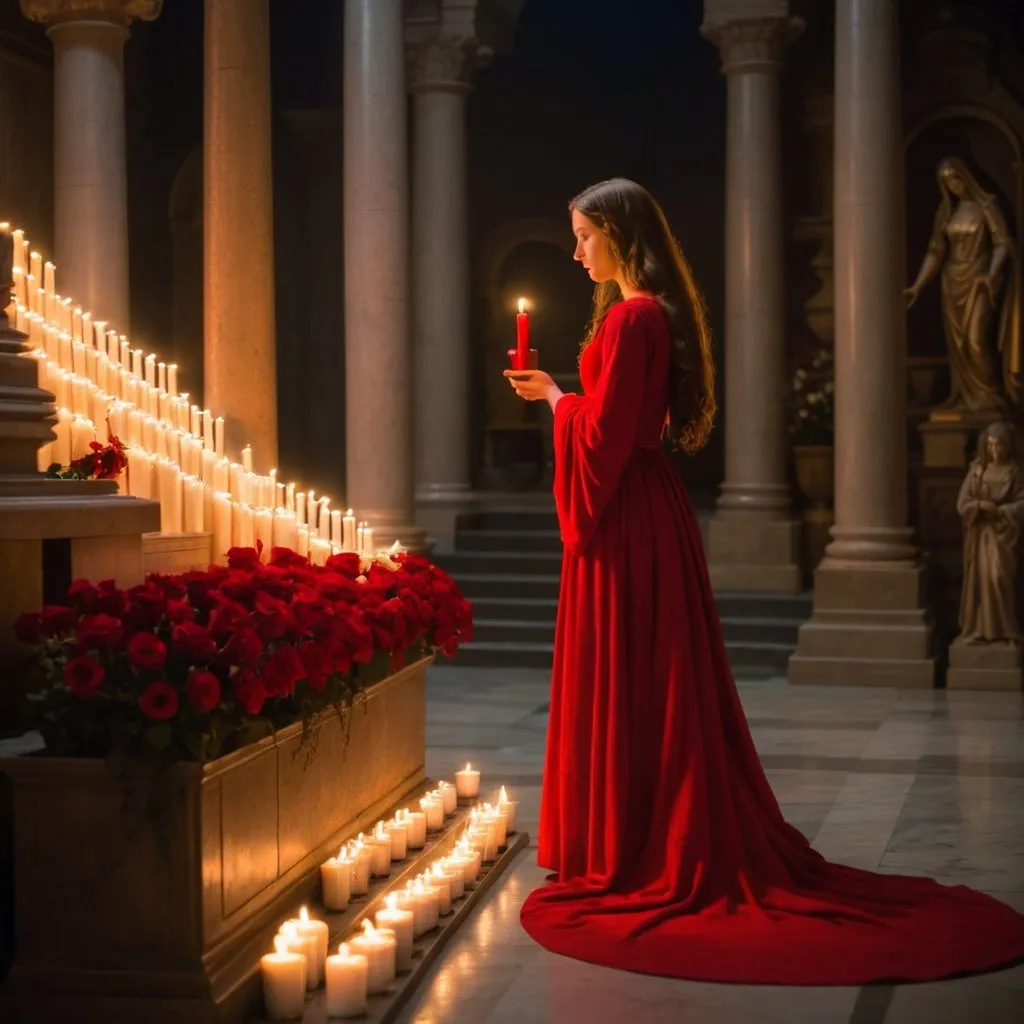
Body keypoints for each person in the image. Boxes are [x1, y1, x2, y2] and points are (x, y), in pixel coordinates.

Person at [504, 177, 1024, 984]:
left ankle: (635, 845)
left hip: (629, 519)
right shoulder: (638, 312)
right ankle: (628, 836)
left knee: (642, 678)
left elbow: (610, 440)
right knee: (648, 678)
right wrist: (564, 398)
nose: (575, 252)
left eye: (583, 235)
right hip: (644, 512)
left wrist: (558, 402)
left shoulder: (637, 316)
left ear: (618, 233)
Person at [904, 156, 1022, 410]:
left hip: (979, 279)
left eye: (955, 178)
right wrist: (917, 285)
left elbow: (1002, 241)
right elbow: (935, 252)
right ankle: (966, 397)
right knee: (957, 346)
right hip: (951, 281)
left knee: (976, 339)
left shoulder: (986, 204)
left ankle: (990, 396)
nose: (952, 185)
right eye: (945, 181)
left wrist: (990, 275)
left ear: (965, 175)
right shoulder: (946, 212)